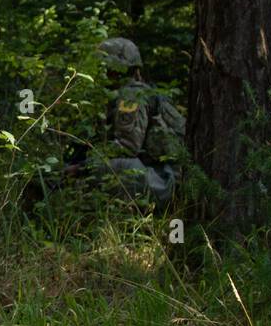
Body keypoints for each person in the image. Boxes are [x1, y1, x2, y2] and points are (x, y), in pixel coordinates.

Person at [65, 37, 187, 207]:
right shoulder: (135, 92)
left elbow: (127, 147)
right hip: (163, 174)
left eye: (106, 67)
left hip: (165, 180)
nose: (103, 73)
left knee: (110, 167)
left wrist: (83, 168)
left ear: (116, 68)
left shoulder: (131, 96)